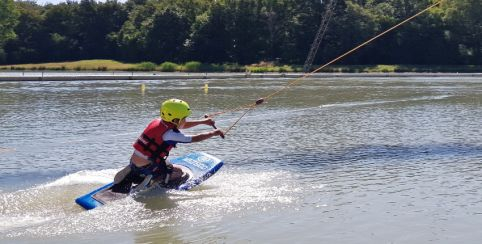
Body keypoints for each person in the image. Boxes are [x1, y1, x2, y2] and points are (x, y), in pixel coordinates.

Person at [111, 98, 224, 193]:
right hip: (149, 165)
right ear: (175, 119)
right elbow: (195, 138)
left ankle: (134, 172)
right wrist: (213, 133)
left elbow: (182, 125)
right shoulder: (170, 134)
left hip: (135, 160)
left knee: (167, 164)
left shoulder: (158, 121)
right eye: (184, 117)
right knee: (180, 173)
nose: (185, 120)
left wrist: (202, 122)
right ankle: (154, 181)